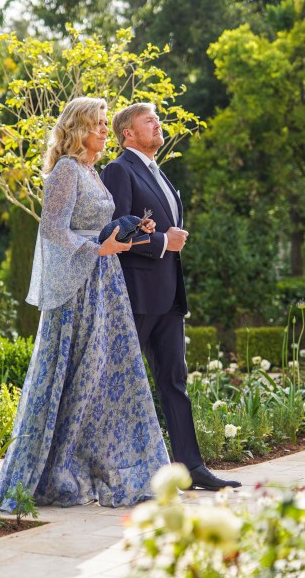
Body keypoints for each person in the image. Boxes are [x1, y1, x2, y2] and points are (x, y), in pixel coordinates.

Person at [0, 97, 170, 510]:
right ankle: (49, 473)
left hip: (106, 283)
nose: (103, 131)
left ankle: (117, 470)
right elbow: (53, 230)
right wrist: (96, 248)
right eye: (97, 123)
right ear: (78, 128)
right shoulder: (65, 171)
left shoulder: (92, 172)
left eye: (105, 123)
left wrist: (126, 229)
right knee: (74, 373)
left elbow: (96, 226)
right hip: (78, 287)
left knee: (110, 375)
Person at [101, 103, 241, 491]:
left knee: (174, 383)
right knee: (124, 385)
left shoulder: (161, 174)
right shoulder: (118, 170)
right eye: (149, 120)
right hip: (136, 296)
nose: (157, 124)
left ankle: (191, 469)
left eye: (157, 119)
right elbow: (113, 235)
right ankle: (117, 475)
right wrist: (163, 240)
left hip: (169, 297)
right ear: (127, 133)